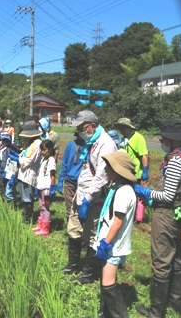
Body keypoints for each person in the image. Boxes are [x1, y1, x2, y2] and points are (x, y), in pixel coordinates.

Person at [134, 119, 181, 317]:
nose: (161, 141)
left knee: (161, 260)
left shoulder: (176, 161)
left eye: (163, 138)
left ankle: (156, 311)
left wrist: (145, 192)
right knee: (177, 260)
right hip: (180, 214)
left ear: (172, 140)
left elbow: (167, 196)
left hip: (166, 214)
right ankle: (175, 304)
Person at [69, 110, 117, 284]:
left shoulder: (106, 144)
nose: (81, 131)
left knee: (91, 235)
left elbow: (102, 177)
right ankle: (72, 264)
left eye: (83, 128)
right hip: (80, 194)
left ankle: (88, 274)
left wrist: (87, 200)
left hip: (95, 199)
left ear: (92, 126)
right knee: (73, 229)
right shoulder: (90, 142)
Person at [94, 150, 137, 318]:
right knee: (106, 279)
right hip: (112, 242)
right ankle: (106, 313)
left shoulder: (123, 192)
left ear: (118, 170)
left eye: (109, 167)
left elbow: (117, 222)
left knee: (108, 284)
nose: (105, 170)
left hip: (114, 244)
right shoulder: (117, 188)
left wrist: (105, 244)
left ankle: (119, 315)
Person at [58, 132, 86, 274]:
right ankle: (72, 235)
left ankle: (83, 238)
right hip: (70, 181)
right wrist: (60, 179)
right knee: (70, 210)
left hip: (84, 184)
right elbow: (64, 162)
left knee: (82, 212)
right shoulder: (71, 145)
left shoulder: (89, 146)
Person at [115, 117, 149, 223]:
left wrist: (145, 171)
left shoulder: (138, 138)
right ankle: (128, 215)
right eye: (120, 127)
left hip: (136, 173)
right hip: (125, 172)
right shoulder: (123, 139)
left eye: (123, 127)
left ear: (128, 127)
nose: (121, 130)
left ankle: (136, 217)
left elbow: (144, 155)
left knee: (136, 195)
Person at [18, 121, 43, 224]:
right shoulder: (31, 143)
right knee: (25, 196)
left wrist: (19, 158)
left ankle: (28, 218)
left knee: (28, 197)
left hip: (29, 174)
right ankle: (28, 215)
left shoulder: (37, 144)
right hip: (24, 174)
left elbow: (26, 162)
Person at [32, 139, 57, 236]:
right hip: (41, 187)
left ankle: (45, 228)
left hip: (46, 188)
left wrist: (51, 188)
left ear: (50, 149)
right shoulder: (44, 159)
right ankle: (41, 224)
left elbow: (53, 176)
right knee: (41, 206)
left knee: (46, 207)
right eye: (42, 149)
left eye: (45, 149)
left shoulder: (51, 160)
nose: (43, 151)